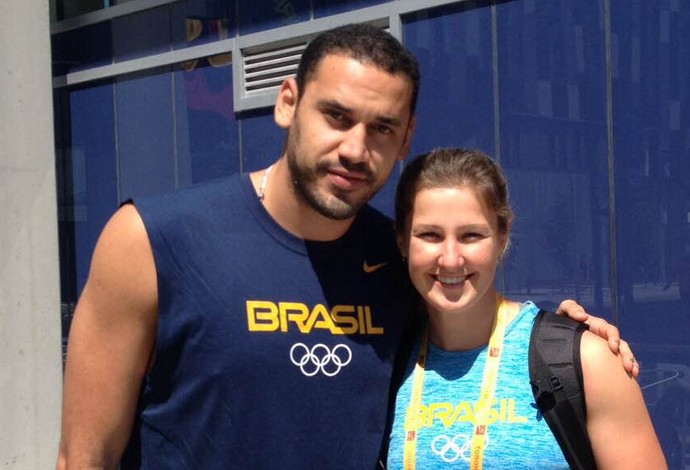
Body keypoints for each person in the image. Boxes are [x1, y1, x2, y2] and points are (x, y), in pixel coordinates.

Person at [56, 25, 634, 469]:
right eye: (336, 116)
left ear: (405, 137)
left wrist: (576, 338)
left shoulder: (400, 260)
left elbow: (477, 321)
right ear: (287, 102)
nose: (355, 148)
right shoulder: (153, 240)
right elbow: (84, 457)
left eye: (382, 127)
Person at [386, 148, 666, 469]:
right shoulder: (385, 367)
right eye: (430, 235)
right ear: (402, 241)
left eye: (472, 235)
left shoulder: (588, 362)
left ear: (502, 238)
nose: (451, 258)